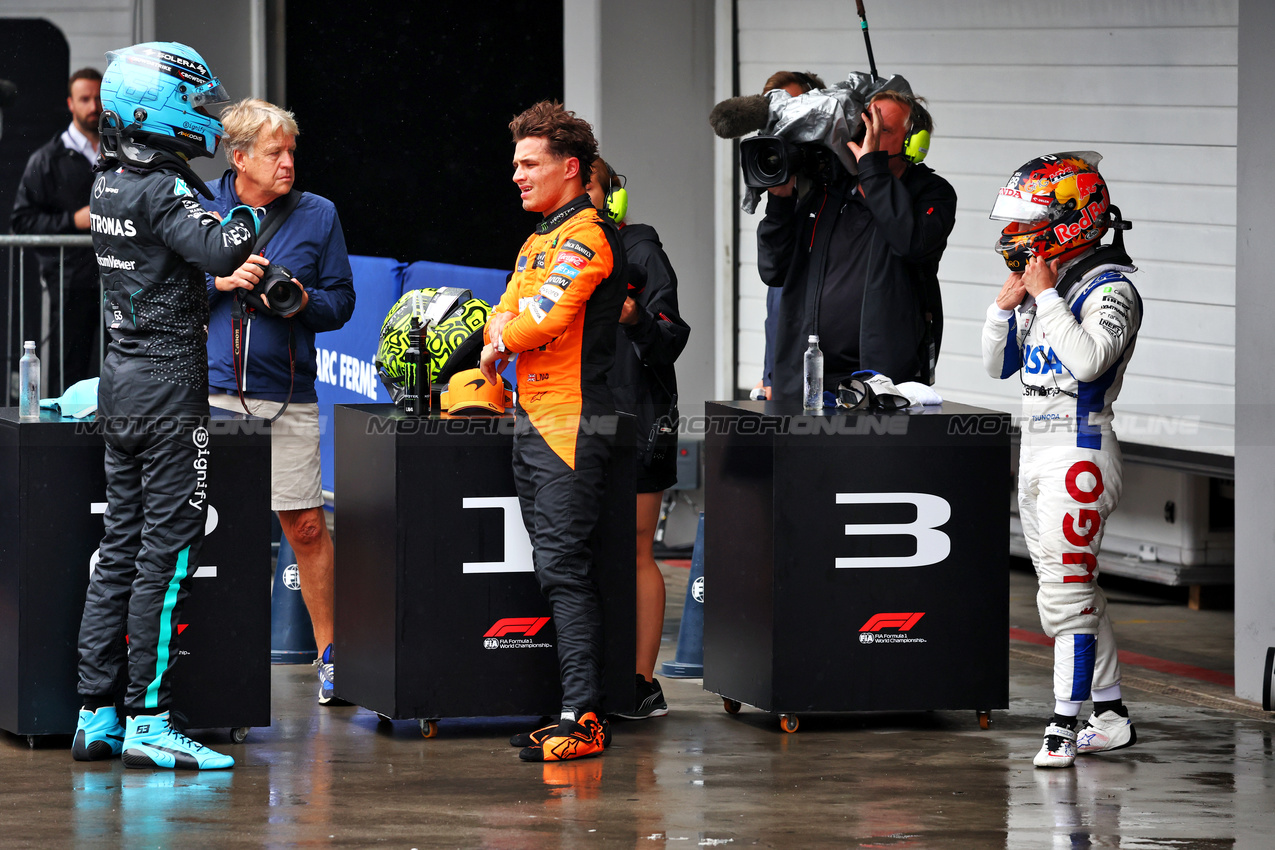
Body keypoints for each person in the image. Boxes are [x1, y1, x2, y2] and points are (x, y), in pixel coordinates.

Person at [74, 42, 260, 770]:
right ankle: (149, 718)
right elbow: (220, 252)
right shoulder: (163, 188)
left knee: (117, 548)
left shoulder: (112, 184)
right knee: (168, 550)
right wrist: (244, 199)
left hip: (121, 384)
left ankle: (98, 713)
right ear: (159, 109)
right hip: (167, 392)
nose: (205, 122)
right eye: (197, 105)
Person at [980, 151, 1141, 769]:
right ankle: (1110, 714)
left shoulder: (1111, 287)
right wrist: (1005, 306)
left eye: (1032, 219)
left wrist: (1045, 298)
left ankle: (1063, 724)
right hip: (1039, 449)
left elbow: (1088, 362)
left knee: (1066, 596)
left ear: (1074, 218)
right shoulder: (1049, 285)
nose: (1018, 233)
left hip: (1081, 449)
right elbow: (999, 365)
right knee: (1069, 589)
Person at [480, 101, 625, 762]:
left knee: (565, 571)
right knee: (552, 570)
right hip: (533, 422)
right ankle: (567, 705)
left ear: (571, 169)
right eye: (515, 163)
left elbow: (535, 320)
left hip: (571, 422)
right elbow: (506, 310)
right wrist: (503, 331)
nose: (517, 175)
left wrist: (502, 336)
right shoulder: (539, 237)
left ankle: (584, 714)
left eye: (529, 163)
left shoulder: (587, 235)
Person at [203, 99, 356, 705]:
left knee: (308, 526)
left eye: (292, 150)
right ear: (239, 158)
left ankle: (333, 657)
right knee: (210, 531)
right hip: (210, 391)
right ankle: (209, 656)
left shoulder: (319, 215)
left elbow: (340, 302)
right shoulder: (199, 205)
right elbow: (153, 283)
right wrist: (221, 282)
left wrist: (295, 301)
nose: (288, 162)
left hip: (287, 392)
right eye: (275, 152)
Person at [757, 88, 956, 402]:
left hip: (882, 381)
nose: (868, 135)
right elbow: (774, 270)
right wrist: (780, 203)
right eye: (864, 125)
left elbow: (911, 244)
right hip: (807, 378)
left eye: (882, 130)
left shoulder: (932, 193)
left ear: (912, 143)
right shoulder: (826, 191)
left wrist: (873, 170)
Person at [585, 158, 690, 719]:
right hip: (574, 418)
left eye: (592, 188)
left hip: (641, 419)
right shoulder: (548, 248)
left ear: (611, 197)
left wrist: (633, 318)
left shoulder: (642, 252)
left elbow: (670, 337)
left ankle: (642, 681)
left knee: (635, 547)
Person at [10, 67, 104, 388]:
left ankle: (113, 439)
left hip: (117, 280)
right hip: (70, 282)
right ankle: (63, 439)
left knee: (116, 372)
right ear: (70, 103)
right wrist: (73, 221)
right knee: (69, 373)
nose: (94, 106)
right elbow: (22, 222)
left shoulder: (120, 155)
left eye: (99, 97)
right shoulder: (46, 160)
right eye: (85, 99)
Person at [752, 71, 825, 402]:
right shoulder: (779, 181)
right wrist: (770, 372)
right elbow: (775, 287)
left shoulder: (838, 180)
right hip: (786, 373)